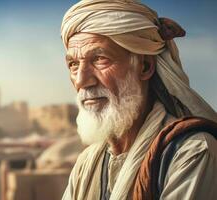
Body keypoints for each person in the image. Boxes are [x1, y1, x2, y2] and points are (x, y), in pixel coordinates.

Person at [60, 0, 217, 200]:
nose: (82, 80)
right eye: (73, 64)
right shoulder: (86, 164)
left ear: (144, 67)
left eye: (100, 59)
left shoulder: (191, 153)